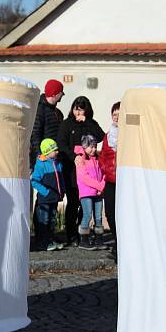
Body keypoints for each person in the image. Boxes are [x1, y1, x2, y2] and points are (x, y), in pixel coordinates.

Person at [56, 96, 105, 246]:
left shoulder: (90, 123)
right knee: (73, 202)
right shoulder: (67, 124)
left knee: (87, 203)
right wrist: (73, 156)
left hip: (89, 170)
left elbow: (101, 136)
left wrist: (87, 122)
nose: (78, 112)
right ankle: (71, 235)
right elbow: (61, 144)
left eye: (81, 109)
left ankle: (82, 233)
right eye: (76, 109)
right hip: (72, 169)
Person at [31, 138, 65, 251]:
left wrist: (62, 191)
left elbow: (61, 180)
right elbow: (34, 181)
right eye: (54, 150)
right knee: (43, 220)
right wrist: (46, 192)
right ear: (47, 151)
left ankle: (50, 240)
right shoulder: (41, 165)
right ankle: (42, 242)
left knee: (52, 220)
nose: (57, 152)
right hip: (44, 200)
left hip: (54, 198)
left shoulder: (58, 163)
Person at [74, 135, 105, 250]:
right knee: (87, 214)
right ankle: (84, 240)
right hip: (87, 192)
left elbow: (104, 171)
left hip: (98, 193)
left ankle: (98, 239)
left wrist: (101, 186)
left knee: (98, 216)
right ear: (84, 147)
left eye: (94, 146)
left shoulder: (98, 158)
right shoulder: (80, 159)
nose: (93, 149)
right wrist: (100, 186)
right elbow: (84, 178)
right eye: (90, 147)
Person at [99, 102, 120, 253]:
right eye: (114, 115)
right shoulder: (108, 136)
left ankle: (120, 245)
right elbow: (103, 157)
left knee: (122, 214)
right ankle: (117, 239)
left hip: (124, 181)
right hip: (110, 180)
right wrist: (105, 170)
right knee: (110, 213)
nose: (116, 118)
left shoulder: (130, 135)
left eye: (119, 115)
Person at [30, 79, 65, 169]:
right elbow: (35, 134)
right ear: (54, 94)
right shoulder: (40, 110)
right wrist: (39, 154)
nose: (62, 95)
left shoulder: (58, 113)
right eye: (61, 92)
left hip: (56, 156)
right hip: (44, 158)